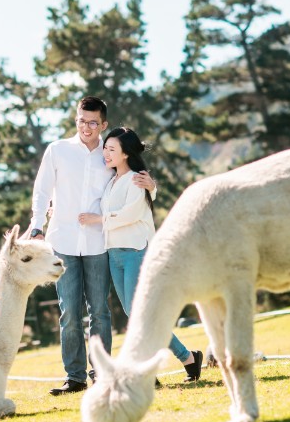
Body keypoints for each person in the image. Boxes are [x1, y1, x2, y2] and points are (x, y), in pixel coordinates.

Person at [28, 97, 155, 396]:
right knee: (69, 311)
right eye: (82, 121)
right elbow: (42, 190)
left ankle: (103, 373)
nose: (86, 127)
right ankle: (74, 377)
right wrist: (37, 225)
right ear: (76, 119)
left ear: (103, 124)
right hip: (63, 241)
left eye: (93, 122)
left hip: (99, 243)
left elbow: (136, 181)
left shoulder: (110, 154)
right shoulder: (57, 150)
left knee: (99, 311)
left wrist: (153, 186)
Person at [79, 127, 202, 385]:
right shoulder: (111, 181)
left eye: (112, 149)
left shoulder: (136, 179)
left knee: (139, 313)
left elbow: (130, 215)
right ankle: (188, 357)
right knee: (138, 314)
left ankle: (149, 372)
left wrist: (98, 220)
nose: (106, 153)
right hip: (114, 253)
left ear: (126, 154)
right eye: (106, 148)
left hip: (136, 251)